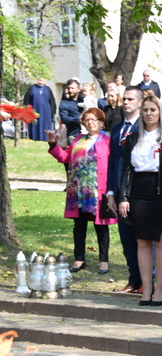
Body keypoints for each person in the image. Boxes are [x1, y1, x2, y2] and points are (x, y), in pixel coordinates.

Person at [117, 96, 162, 307]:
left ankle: (159, 287)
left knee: (161, 241)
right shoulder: (133, 138)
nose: (149, 113)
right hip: (137, 192)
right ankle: (146, 287)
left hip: (159, 191)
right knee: (141, 241)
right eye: (146, 110)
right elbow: (126, 170)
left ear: (160, 111)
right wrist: (123, 197)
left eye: (153, 109)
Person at [46, 108, 116, 273]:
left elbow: (113, 165)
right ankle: (79, 259)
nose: (90, 122)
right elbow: (64, 158)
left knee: (101, 226)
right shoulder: (78, 139)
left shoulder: (108, 140)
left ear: (101, 122)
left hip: (98, 191)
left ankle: (104, 261)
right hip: (78, 191)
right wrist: (53, 144)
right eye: (87, 120)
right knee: (79, 225)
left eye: (94, 119)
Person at [106, 86, 144, 294]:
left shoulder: (145, 126)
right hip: (120, 190)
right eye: (124, 99)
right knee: (127, 239)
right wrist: (111, 192)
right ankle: (134, 280)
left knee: (143, 239)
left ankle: (147, 280)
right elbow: (112, 162)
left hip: (140, 191)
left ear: (140, 102)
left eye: (130, 99)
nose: (126, 102)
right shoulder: (117, 128)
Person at [23, 78, 56, 142]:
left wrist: (52, 113)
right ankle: (34, 138)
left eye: (42, 81)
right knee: (34, 125)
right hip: (34, 111)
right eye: (39, 80)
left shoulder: (48, 89)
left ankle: (45, 139)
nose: (41, 82)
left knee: (45, 125)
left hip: (45, 112)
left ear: (45, 81)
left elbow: (52, 102)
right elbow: (27, 100)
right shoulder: (32, 88)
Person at [59, 79, 83, 143]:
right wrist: (79, 119)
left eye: (72, 88)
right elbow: (65, 119)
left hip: (87, 134)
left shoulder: (85, 101)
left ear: (78, 89)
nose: (70, 90)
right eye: (69, 88)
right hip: (73, 135)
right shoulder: (64, 103)